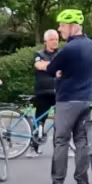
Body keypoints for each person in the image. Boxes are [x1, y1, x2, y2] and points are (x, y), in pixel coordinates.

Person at [34, 9, 92, 184]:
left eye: (62, 25)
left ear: (72, 26)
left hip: (67, 100)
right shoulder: (91, 45)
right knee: (82, 142)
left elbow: (52, 69)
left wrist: (56, 70)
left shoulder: (69, 48)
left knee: (61, 141)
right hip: (86, 99)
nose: (59, 29)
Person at [28, 29, 59, 157]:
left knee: (62, 120)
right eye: (52, 39)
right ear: (46, 41)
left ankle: (61, 147)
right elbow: (39, 65)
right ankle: (34, 147)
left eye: (56, 39)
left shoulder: (61, 53)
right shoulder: (39, 53)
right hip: (43, 91)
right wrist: (55, 65)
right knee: (40, 119)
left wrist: (49, 65)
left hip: (59, 91)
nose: (55, 42)